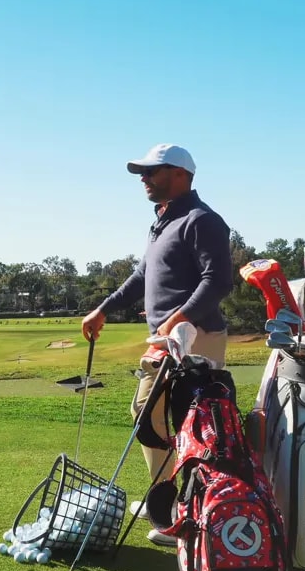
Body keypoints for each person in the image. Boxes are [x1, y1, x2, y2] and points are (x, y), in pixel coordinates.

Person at [80, 143, 233, 547]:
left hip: (194, 337)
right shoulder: (164, 222)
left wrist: (178, 319)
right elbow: (140, 278)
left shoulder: (202, 220)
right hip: (170, 338)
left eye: (153, 172)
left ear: (181, 174)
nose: (144, 180)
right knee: (148, 416)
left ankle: (182, 514)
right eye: (143, 174)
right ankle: (162, 498)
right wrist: (103, 309)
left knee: (187, 424)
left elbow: (217, 281)